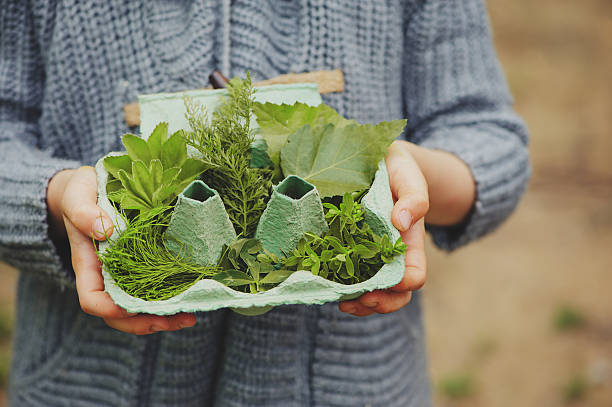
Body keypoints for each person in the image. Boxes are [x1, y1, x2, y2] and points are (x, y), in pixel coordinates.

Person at [0, 0, 529, 405]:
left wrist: (409, 171)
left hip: (353, 384)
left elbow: (487, 137)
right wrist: (53, 194)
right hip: (87, 384)